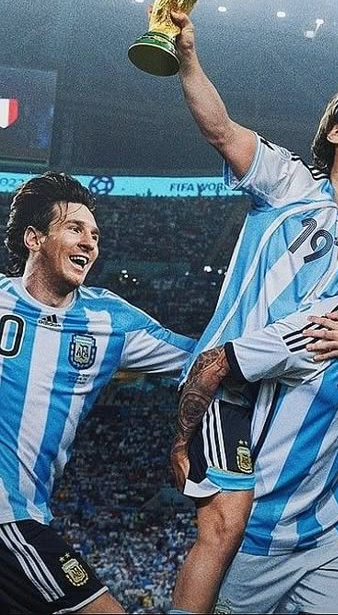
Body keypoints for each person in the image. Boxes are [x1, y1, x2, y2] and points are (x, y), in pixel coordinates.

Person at [169, 9, 338, 615]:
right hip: (240, 383)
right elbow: (220, 129)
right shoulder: (290, 184)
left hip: (325, 399)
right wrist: (186, 55)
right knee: (227, 527)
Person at [170, 202, 338, 614]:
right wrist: (182, 445)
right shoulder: (317, 330)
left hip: (325, 542)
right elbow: (213, 362)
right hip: (259, 540)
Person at [0, 171, 194, 615]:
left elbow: (203, 360)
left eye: (95, 234)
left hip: (32, 512)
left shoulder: (110, 321)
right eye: (75, 229)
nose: (90, 242)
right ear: (34, 238)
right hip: (8, 517)